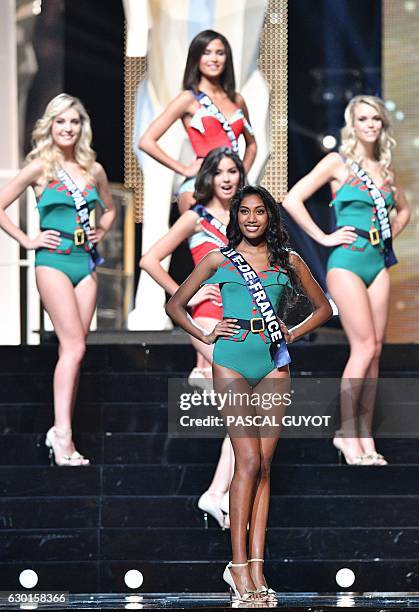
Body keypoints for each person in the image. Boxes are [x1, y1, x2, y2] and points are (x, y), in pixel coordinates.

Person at [166, 185, 332, 601]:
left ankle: (258, 568)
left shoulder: (287, 260)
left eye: (260, 212)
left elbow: (325, 308)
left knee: (266, 467)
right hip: (232, 360)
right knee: (249, 460)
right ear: (236, 217)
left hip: (275, 362)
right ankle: (237, 568)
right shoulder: (218, 259)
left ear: (270, 218)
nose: (252, 219)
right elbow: (175, 305)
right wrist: (204, 332)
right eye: (244, 212)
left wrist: (292, 331)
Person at [283, 95, 411, 465]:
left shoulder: (385, 170)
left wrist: (389, 234)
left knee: (376, 351)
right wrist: (323, 238)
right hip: (346, 262)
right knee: (363, 348)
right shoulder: (338, 163)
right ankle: (346, 434)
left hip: (378, 262)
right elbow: (293, 199)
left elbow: (403, 210)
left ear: (382, 125)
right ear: (352, 124)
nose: (370, 124)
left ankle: (365, 437)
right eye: (363, 119)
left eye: (375, 119)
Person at [0, 93, 116, 466]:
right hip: (52, 260)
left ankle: (61, 430)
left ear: (82, 127)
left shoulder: (92, 169)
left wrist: (101, 229)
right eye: (61, 122)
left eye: (74, 122)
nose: (67, 128)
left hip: (87, 262)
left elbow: (110, 210)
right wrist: (27, 240)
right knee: (74, 348)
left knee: (75, 350)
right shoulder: (40, 167)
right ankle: (62, 436)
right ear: (50, 126)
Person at [140, 147, 244, 529]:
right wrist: (185, 291)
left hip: (243, 322)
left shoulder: (245, 218)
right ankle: (219, 494)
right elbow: (149, 259)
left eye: (233, 170)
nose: (228, 178)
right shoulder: (195, 217)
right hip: (206, 321)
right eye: (220, 172)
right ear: (209, 178)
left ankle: (217, 494)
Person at [138, 29, 256, 214]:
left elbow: (252, 145)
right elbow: (146, 142)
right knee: (207, 242)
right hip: (201, 185)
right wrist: (183, 169)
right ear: (196, 58)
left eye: (220, 53)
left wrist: (241, 172)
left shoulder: (237, 100)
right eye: (206, 53)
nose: (214, 59)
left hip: (233, 186)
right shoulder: (188, 99)